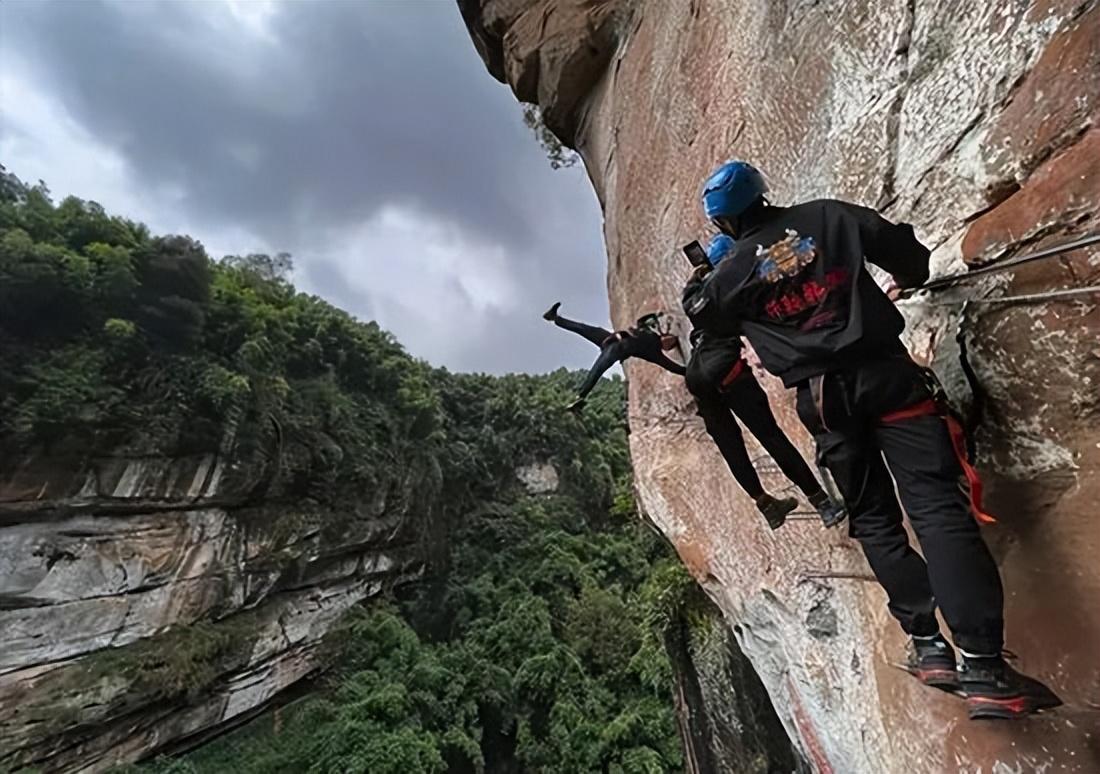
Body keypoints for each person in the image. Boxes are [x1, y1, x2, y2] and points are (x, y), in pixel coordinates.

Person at [683, 160, 1059, 720]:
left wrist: (711, 275)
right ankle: (983, 666)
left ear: (724, 224)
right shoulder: (829, 217)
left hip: (823, 401)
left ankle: (929, 647)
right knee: (934, 508)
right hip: (886, 377)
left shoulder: (729, 273)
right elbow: (912, 258)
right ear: (765, 192)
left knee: (874, 518)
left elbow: (705, 322)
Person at [686, 234, 846, 530]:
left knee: (732, 448)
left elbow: (691, 306)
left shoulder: (704, 294)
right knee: (771, 437)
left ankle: (766, 505)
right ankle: (823, 503)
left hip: (697, 378)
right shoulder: (743, 283)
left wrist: (696, 278)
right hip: (728, 372)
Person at [543, 303, 685, 411]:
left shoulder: (654, 353)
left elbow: (670, 366)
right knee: (584, 329)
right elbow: (642, 321)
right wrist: (656, 316)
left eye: (670, 345)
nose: (668, 342)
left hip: (617, 350)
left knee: (597, 369)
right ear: (666, 336)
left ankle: (580, 397)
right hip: (610, 337)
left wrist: (685, 371)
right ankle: (555, 318)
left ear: (667, 348)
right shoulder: (652, 332)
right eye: (670, 339)